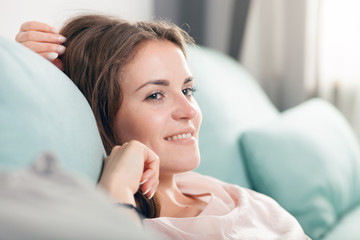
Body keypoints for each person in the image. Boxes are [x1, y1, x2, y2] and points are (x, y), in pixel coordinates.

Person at [16, 14, 310, 239]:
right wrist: (117, 193)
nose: (188, 111)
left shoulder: (224, 194)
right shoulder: (132, 224)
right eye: (155, 95)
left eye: (187, 90)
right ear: (100, 114)